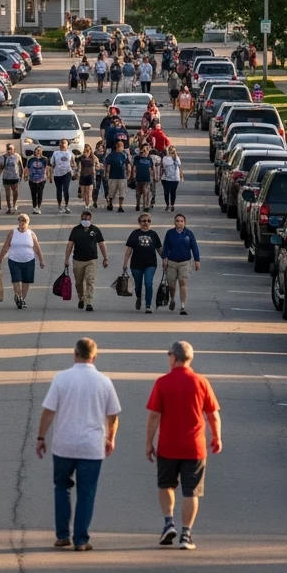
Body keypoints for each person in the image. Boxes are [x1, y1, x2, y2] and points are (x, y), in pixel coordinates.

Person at [36, 338, 121, 551]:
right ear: (95, 356)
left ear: (74, 354)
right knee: (87, 492)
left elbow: (48, 411)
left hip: (64, 444)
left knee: (62, 487)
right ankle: (81, 539)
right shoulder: (104, 381)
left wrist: (40, 437)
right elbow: (113, 415)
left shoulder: (61, 379)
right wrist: (111, 438)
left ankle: (62, 535)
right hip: (91, 447)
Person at [145, 341, 222, 551]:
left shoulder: (162, 382)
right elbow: (213, 415)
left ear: (174, 357)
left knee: (166, 485)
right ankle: (186, 534)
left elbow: (154, 416)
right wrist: (217, 437)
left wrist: (148, 443)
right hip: (194, 448)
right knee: (191, 492)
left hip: (168, 446)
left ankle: (169, 523)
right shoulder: (202, 382)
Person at [0, 213, 46, 309]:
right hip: (14, 260)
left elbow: (37, 248)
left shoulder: (31, 234)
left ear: (28, 223)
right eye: (20, 221)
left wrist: (41, 260)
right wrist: (0, 259)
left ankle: (22, 299)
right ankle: (18, 295)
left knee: (26, 281)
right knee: (16, 279)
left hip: (29, 261)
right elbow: (6, 246)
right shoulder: (13, 233)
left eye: (24, 221)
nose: (22, 223)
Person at [63, 209, 109, 312]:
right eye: (83, 219)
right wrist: (66, 259)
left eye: (87, 219)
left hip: (91, 260)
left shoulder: (95, 230)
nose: (85, 221)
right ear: (81, 219)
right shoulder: (75, 230)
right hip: (78, 260)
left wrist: (105, 258)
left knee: (90, 280)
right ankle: (81, 298)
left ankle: (89, 302)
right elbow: (70, 244)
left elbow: (101, 244)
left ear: (91, 219)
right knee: (79, 282)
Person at [161, 214, 201, 315]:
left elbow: (194, 247)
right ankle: (172, 299)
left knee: (183, 282)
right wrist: (164, 259)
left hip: (185, 262)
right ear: (174, 222)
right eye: (177, 221)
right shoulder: (170, 233)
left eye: (181, 221)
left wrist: (197, 260)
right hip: (172, 262)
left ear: (185, 222)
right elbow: (166, 247)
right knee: (172, 285)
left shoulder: (189, 234)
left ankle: (183, 306)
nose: (179, 223)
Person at [123, 213, 163, 313]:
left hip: (150, 264)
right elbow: (129, 249)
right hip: (136, 264)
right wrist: (125, 263)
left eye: (148, 221)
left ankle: (148, 305)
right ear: (139, 222)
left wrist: (165, 259)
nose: (146, 223)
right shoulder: (135, 234)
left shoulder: (153, 234)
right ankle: (139, 297)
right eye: (144, 221)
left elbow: (159, 249)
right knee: (138, 285)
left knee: (148, 283)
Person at [0, 143, 24, 215]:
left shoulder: (17, 156)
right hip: (6, 177)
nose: (9, 150)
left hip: (15, 177)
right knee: (7, 193)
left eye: (11, 149)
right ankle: (9, 207)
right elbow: (0, 168)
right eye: (8, 149)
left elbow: (21, 166)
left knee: (15, 192)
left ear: (14, 150)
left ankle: (14, 205)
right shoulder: (3, 157)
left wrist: (21, 175)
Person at [103, 140, 130, 212]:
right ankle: (110, 203)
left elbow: (128, 165)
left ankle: (120, 206)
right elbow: (107, 165)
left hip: (122, 176)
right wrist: (107, 174)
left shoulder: (124, 155)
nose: (123, 148)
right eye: (122, 146)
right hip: (113, 176)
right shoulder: (111, 155)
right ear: (118, 147)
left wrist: (128, 173)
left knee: (122, 192)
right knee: (111, 192)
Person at [50, 142, 74, 213]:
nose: (63, 144)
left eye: (64, 143)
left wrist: (75, 171)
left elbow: (73, 163)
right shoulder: (55, 153)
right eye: (61, 143)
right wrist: (50, 174)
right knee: (59, 190)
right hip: (57, 174)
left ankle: (66, 206)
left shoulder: (70, 153)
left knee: (66, 189)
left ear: (67, 145)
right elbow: (52, 163)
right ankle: (59, 205)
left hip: (67, 173)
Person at [132, 144, 156, 212]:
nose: (146, 151)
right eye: (145, 149)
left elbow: (152, 169)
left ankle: (146, 206)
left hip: (147, 179)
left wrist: (153, 177)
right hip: (139, 178)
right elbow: (134, 168)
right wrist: (133, 177)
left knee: (146, 193)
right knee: (138, 193)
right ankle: (138, 204)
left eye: (147, 149)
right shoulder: (137, 158)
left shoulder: (149, 159)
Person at [26, 146, 49, 215]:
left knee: (40, 193)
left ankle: (38, 207)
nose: (38, 152)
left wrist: (48, 176)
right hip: (32, 179)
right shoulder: (31, 159)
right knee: (33, 193)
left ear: (41, 151)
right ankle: (34, 207)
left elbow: (47, 168)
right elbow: (27, 168)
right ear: (34, 151)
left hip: (41, 179)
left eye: (39, 150)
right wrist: (26, 175)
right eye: (37, 150)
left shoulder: (44, 159)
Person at [160, 145, 183, 212]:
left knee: (173, 192)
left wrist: (175, 158)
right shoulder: (165, 158)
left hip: (175, 178)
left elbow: (179, 164)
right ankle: (167, 204)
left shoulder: (177, 158)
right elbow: (165, 164)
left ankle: (172, 205)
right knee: (166, 192)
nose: (172, 153)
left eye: (173, 151)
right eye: (170, 151)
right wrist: (172, 159)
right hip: (166, 178)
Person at [77, 144, 97, 208]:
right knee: (83, 192)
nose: (86, 152)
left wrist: (97, 167)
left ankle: (87, 205)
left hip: (90, 176)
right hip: (83, 176)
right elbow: (77, 166)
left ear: (90, 150)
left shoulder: (93, 157)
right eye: (85, 151)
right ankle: (86, 202)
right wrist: (77, 173)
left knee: (89, 192)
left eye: (88, 150)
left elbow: (98, 164)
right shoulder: (81, 158)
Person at [92, 141, 108, 208]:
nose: (101, 147)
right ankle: (94, 201)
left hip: (105, 172)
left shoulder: (107, 154)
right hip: (97, 172)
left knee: (106, 187)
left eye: (102, 146)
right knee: (96, 188)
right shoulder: (95, 154)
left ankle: (108, 200)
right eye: (100, 145)